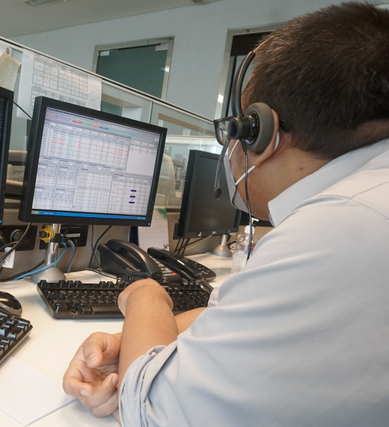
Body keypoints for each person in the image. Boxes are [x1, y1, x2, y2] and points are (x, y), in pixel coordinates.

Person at [62, 3, 389, 426]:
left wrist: (146, 295)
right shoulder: (363, 204)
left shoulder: (338, 230)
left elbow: (152, 409)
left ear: (260, 132)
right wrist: (134, 338)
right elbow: (241, 319)